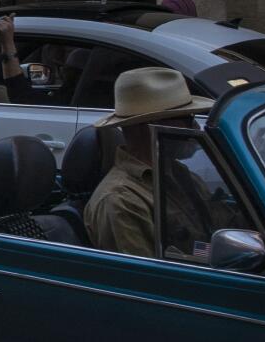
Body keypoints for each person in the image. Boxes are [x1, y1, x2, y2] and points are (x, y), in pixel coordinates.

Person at [83, 67, 214, 259]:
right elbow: (148, 280)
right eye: (186, 119)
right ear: (148, 128)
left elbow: (221, 225)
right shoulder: (120, 200)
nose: (194, 128)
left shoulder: (178, 173)